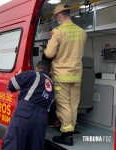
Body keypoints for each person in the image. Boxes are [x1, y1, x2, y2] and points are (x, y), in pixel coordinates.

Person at [44, 3, 87, 146]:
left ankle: (66, 134)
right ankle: (72, 128)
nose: (57, 18)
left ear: (59, 15)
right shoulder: (82, 32)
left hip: (61, 75)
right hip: (77, 74)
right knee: (73, 103)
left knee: (63, 105)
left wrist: (46, 48)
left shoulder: (58, 31)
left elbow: (49, 54)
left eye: (56, 16)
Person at [2, 60, 55, 150]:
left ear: (37, 68)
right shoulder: (53, 86)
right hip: (41, 120)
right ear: (49, 71)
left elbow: (11, 86)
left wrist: (18, 75)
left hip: (24, 114)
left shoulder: (32, 74)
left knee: (13, 145)